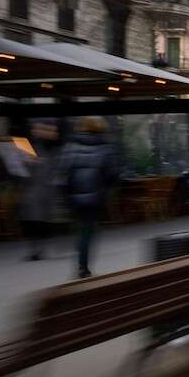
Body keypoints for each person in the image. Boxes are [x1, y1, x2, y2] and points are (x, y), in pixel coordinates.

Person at [59, 117, 120, 279]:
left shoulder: (70, 146)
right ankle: (83, 266)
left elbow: (63, 174)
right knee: (88, 231)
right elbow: (112, 174)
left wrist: (66, 195)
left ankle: (81, 261)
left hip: (74, 198)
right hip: (95, 197)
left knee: (82, 230)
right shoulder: (105, 147)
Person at [18, 121, 63, 261]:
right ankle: (35, 249)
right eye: (36, 129)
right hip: (34, 192)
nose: (37, 131)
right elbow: (23, 169)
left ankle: (38, 249)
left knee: (42, 222)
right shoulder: (31, 147)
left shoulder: (54, 150)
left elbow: (58, 170)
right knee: (33, 221)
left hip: (46, 192)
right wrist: (28, 164)